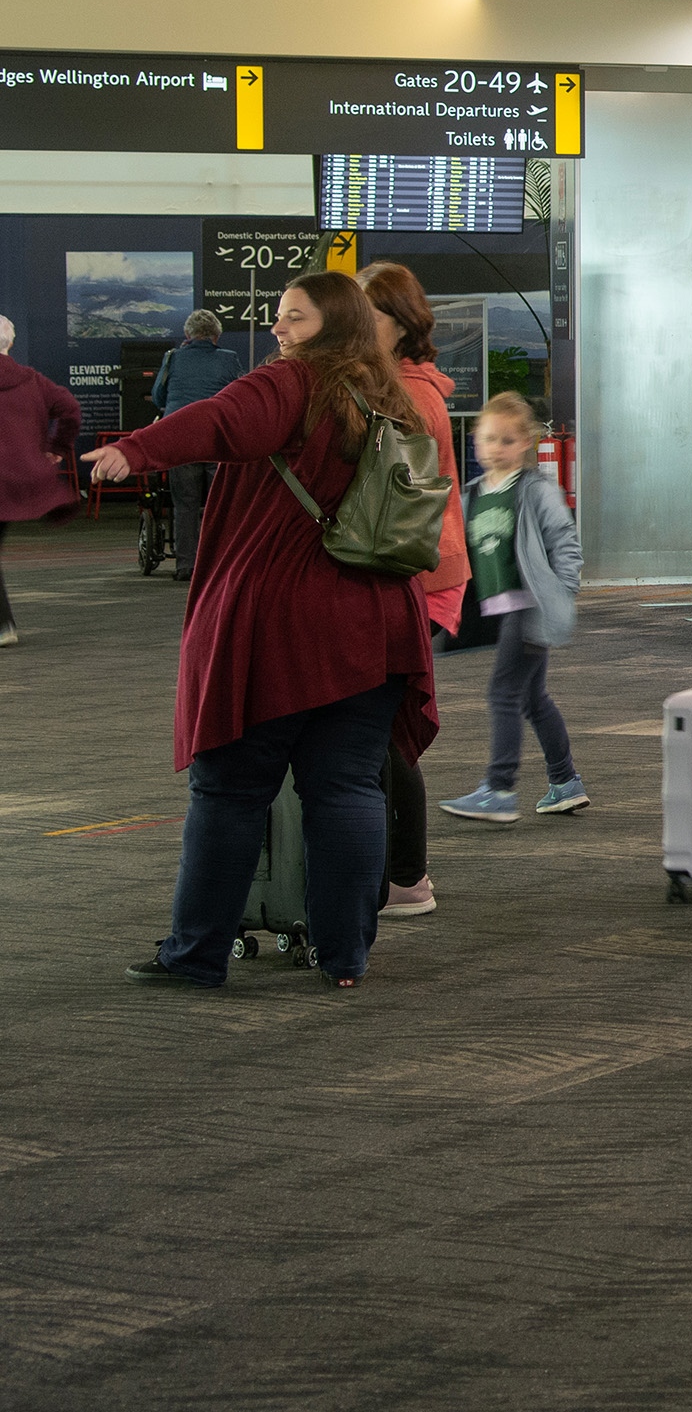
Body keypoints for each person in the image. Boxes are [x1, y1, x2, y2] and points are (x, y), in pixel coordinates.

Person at [83, 272, 439, 990]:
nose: (279, 329)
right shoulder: (391, 397)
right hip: (376, 623)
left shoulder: (292, 383)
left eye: (295, 317)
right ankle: (345, 958)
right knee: (347, 790)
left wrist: (139, 449)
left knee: (229, 791)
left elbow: (221, 420)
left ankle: (197, 955)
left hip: (281, 622)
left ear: (332, 324)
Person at [358, 265, 466, 914]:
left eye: (367, 314)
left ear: (400, 324)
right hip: (415, 572)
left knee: (381, 728)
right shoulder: (399, 385)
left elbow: (394, 499)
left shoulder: (409, 396)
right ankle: (399, 874)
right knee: (377, 725)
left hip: (417, 577)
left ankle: (406, 878)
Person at [438, 392, 586, 824]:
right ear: (475, 441)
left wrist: (563, 592)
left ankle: (499, 789)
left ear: (525, 443)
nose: (495, 448)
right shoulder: (471, 494)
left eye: (506, 440)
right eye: (488, 439)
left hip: (530, 609)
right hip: (504, 611)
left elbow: (564, 541)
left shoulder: (535, 490)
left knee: (502, 694)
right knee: (532, 698)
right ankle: (565, 782)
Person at [0, 313, 85, 648]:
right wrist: (56, 449)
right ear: (11, 343)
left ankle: (3, 625)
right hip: (22, 480)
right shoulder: (32, 380)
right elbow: (70, 409)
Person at [151, 308, 248, 580]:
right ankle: (222, 564)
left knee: (185, 504)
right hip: (217, 439)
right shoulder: (229, 359)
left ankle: (185, 566)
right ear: (217, 336)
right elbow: (242, 395)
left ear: (187, 334)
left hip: (180, 439)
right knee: (222, 503)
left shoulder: (173, 358)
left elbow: (158, 396)